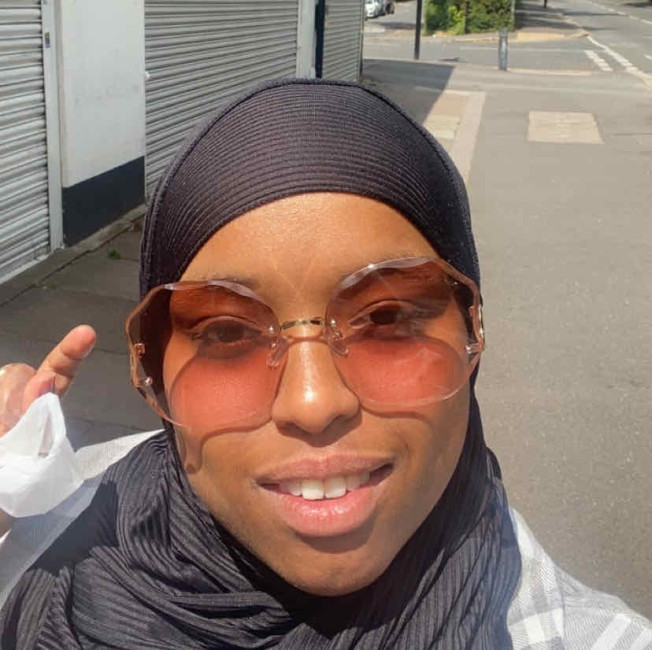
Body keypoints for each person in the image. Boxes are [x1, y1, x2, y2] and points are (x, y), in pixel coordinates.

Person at [0, 79, 650, 649]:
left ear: (471, 333)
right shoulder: (49, 517)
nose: (313, 404)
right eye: (227, 332)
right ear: (159, 371)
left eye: (387, 319)